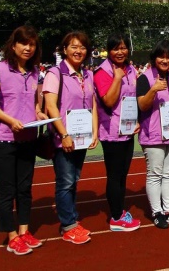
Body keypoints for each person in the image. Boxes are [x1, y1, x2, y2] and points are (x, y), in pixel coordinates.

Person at [0, 26, 45, 255]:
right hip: (3, 140)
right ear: (13, 45)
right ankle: (11, 236)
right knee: (7, 190)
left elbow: (34, 102)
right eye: (24, 43)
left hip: (27, 138)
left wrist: (39, 113)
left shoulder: (35, 71)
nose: (28, 48)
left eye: (32, 44)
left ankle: (24, 231)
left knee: (25, 188)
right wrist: (10, 121)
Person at [43, 31, 99, 245]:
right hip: (64, 138)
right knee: (65, 181)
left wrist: (94, 131)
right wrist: (63, 134)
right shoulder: (55, 74)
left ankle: (71, 218)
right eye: (73, 46)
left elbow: (92, 104)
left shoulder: (87, 74)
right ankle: (68, 225)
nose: (78, 51)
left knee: (74, 179)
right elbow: (50, 107)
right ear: (64, 49)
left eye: (82, 47)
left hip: (82, 137)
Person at [136, 40, 169, 228]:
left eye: (168, 56)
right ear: (154, 57)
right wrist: (153, 90)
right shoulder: (145, 78)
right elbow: (142, 105)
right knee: (155, 174)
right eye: (161, 56)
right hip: (152, 135)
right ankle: (157, 212)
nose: (165, 60)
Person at [93, 33, 141, 232]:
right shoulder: (103, 72)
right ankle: (115, 217)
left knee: (123, 175)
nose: (120, 52)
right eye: (115, 48)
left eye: (123, 48)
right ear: (108, 50)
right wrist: (118, 78)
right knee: (114, 175)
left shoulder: (131, 69)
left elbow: (134, 98)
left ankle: (120, 212)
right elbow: (109, 101)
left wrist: (137, 120)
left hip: (128, 131)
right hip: (111, 133)